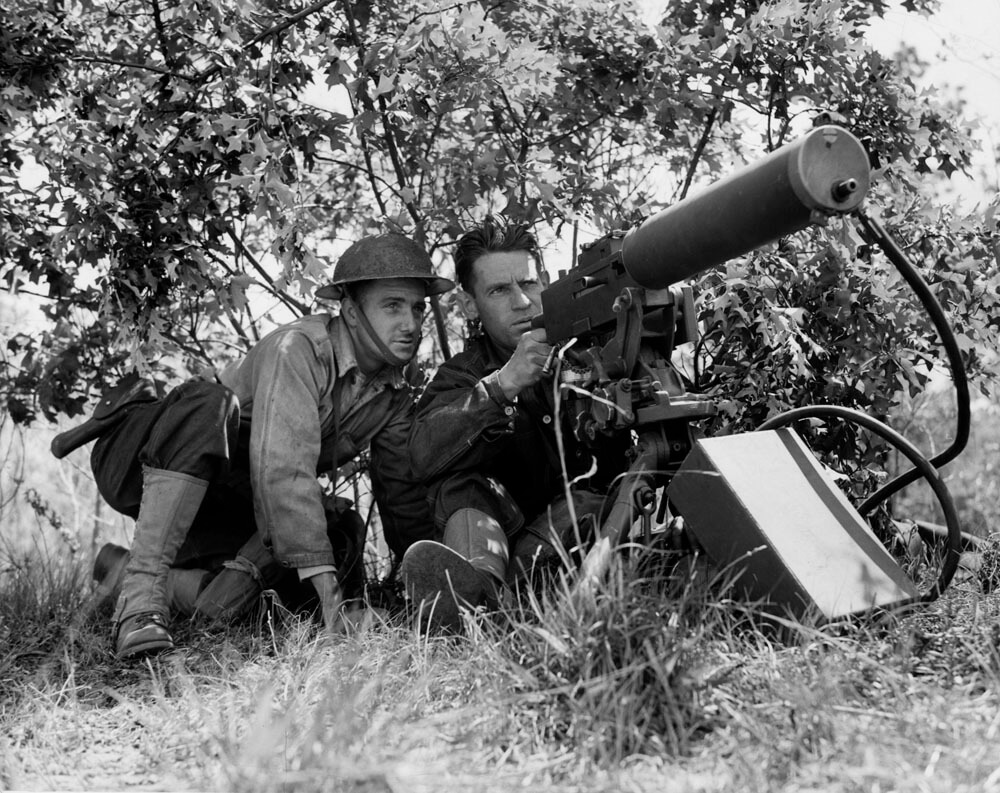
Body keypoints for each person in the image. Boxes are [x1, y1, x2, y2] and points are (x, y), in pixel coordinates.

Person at [81, 233, 454, 658]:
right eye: (393, 306)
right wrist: (333, 603)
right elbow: (283, 471)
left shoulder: (393, 394)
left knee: (329, 538)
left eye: (418, 308)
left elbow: (402, 498)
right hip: (140, 462)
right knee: (209, 404)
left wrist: (432, 586)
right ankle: (139, 604)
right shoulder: (298, 349)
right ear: (351, 312)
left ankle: (124, 574)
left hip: (221, 503)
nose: (411, 323)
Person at [401, 217, 627, 630]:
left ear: (545, 283)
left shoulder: (591, 352)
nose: (522, 301)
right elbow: (422, 454)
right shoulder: (462, 376)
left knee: (592, 499)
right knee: (458, 480)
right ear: (470, 305)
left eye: (528, 283)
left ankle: (492, 608)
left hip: (595, 537)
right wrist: (502, 385)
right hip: (513, 551)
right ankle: (473, 596)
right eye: (499, 290)